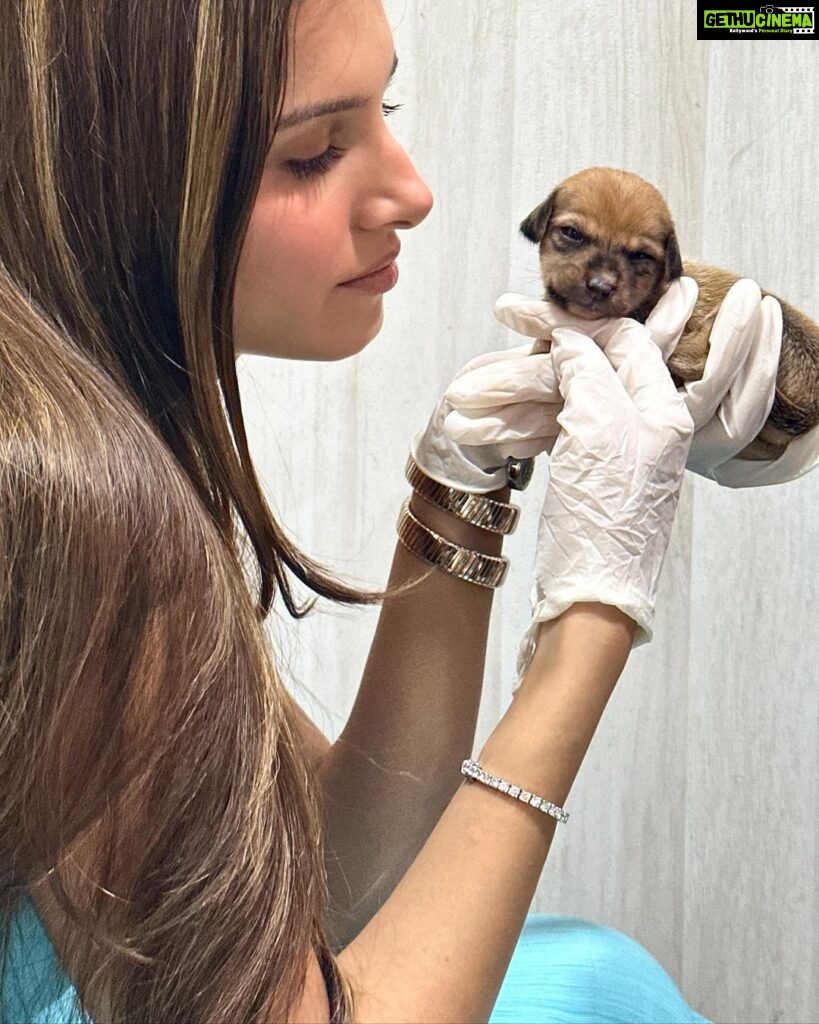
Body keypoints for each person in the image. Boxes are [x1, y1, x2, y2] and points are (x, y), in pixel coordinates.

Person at [0, 0, 786, 1021]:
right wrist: (595, 614)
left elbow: (313, 884)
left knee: (610, 975)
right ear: (118, 176)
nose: (412, 191)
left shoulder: (109, 434)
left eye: (389, 105)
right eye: (318, 152)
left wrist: (461, 492)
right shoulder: (68, 517)